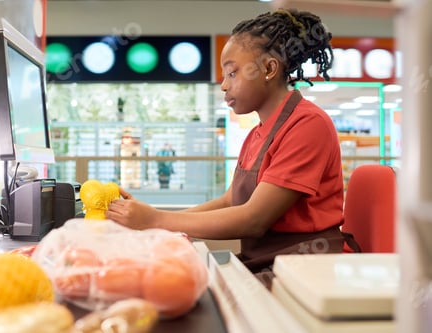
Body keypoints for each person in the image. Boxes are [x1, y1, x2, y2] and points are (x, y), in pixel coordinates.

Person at [106, 9, 358, 287]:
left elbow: (253, 219)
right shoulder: (257, 134)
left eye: (232, 73)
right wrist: (154, 219)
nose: (224, 85)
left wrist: (156, 220)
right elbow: (230, 201)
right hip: (269, 261)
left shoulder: (308, 124)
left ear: (269, 69)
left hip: (306, 268)